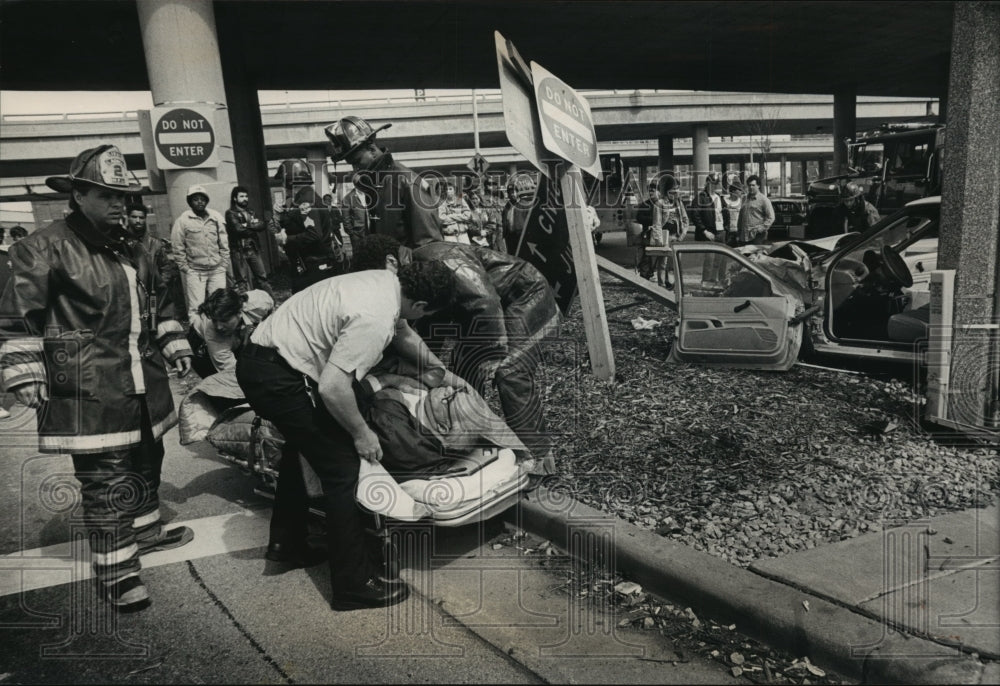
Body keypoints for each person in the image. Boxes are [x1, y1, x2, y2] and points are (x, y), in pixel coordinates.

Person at [0, 145, 194, 611]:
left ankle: (145, 531)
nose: (118, 204)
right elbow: (17, 317)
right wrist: (23, 371)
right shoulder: (42, 247)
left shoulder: (136, 245)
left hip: (140, 378)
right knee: (105, 479)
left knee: (148, 456)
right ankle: (119, 571)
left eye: (122, 196)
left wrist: (173, 343)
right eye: (106, 195)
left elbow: (159, 303)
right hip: (86, 384)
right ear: (79, 194)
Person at [234, 262, 465, 610]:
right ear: (419, 306)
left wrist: (439, 372)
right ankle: (354, 584)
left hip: (264, 361)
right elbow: (333, 387)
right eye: (423, 315)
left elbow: (404, 333)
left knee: (306, 446)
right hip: (277, 376)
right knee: (342, 468)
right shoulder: (373, 318)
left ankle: (287, 543)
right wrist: (362, 434)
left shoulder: (385, 283)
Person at [353, 234, 561, 477]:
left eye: (376, 279)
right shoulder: (417, 272)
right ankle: (477, 444)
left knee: (510, 372)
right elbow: (423, 330)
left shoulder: (441, 259)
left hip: (524, 299)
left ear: (391, 262)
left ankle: (538, 458)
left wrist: (492, 354)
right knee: (460, 379)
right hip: (484, 316)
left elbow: (485, 303)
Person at [325, 115, 443, 249]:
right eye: (352, 164)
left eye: (357, 162)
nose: (355, 169)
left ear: (371, 149)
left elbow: (430, 245)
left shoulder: (407, 182)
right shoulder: (374, 185)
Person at [171, 185, 231, 320]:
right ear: (190, 202)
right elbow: (177, 246)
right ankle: (196, 336)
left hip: (217, 270)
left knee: (219, 304)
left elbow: (224, 243)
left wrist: (223, 264)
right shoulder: (182, 220)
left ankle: (216, 333)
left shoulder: (215, 217)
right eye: (195, 199)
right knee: (196, 308)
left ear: (206, 201)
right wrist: (186, 268)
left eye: (202, 199)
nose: (199, 202)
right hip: (196, 271)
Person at [189, 286, 274, 377]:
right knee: (223, 383)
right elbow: (233, 373)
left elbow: (272, 316)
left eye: (224, 320)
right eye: (214, 320)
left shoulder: (260, 303)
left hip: (239, 331)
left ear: (239, 312)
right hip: (201, 343)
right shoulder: (213, 333)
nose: (218, 327)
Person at [274, 186, 344, 292]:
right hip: (318, 258)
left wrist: (287, 239)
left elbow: (314, 234)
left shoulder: (306, 201)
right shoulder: (312, 197)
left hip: (313, 260)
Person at [125, 204, 186, 317]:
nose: (138, 221)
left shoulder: (155, 243)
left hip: (155, 293)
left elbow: (165, 266)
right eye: (134, 217)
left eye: (141, 218)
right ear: (127, 217)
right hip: (132, 293)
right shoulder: (122, 243)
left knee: (155, 323)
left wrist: (162, 282)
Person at [224, 186, 273, 297]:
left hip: (253, 248)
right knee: (242, 281)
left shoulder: (251, 211)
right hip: (238, 251)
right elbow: (238, 230)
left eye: (246, 196)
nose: (245, 198)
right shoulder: (230, 213)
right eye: (241, 196)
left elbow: (262, 225)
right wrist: (252, 225)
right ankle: (247, 308)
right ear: (235, 198)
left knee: (262, 278)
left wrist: (247, 225)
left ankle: (271, 303)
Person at [737, 174, 775, 246]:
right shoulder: (744, 198)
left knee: (756, 256)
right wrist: (738, 232)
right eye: (749, 185)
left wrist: (760, 229)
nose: (751, 187)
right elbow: (740, 216)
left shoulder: (764, 200)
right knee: (743, 256)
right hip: (744, 237)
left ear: (758, 186)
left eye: (753, 185)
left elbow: (771, 217)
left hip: (757, 237)